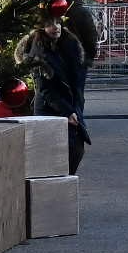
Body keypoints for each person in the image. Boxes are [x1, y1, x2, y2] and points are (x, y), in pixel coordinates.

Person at [25, 21, 89, 174]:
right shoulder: (38, 50)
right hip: (51, 109)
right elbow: (45, 89)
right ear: (41, 27)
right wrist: (66, 112)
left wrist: (77, 107)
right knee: (59, 154)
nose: (55, 27)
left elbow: (78, 82)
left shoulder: (70, 45)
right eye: (49, 24)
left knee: (76, 149)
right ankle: (58, 187)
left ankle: (64, 183)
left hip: (72, 105)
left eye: (57, 22)